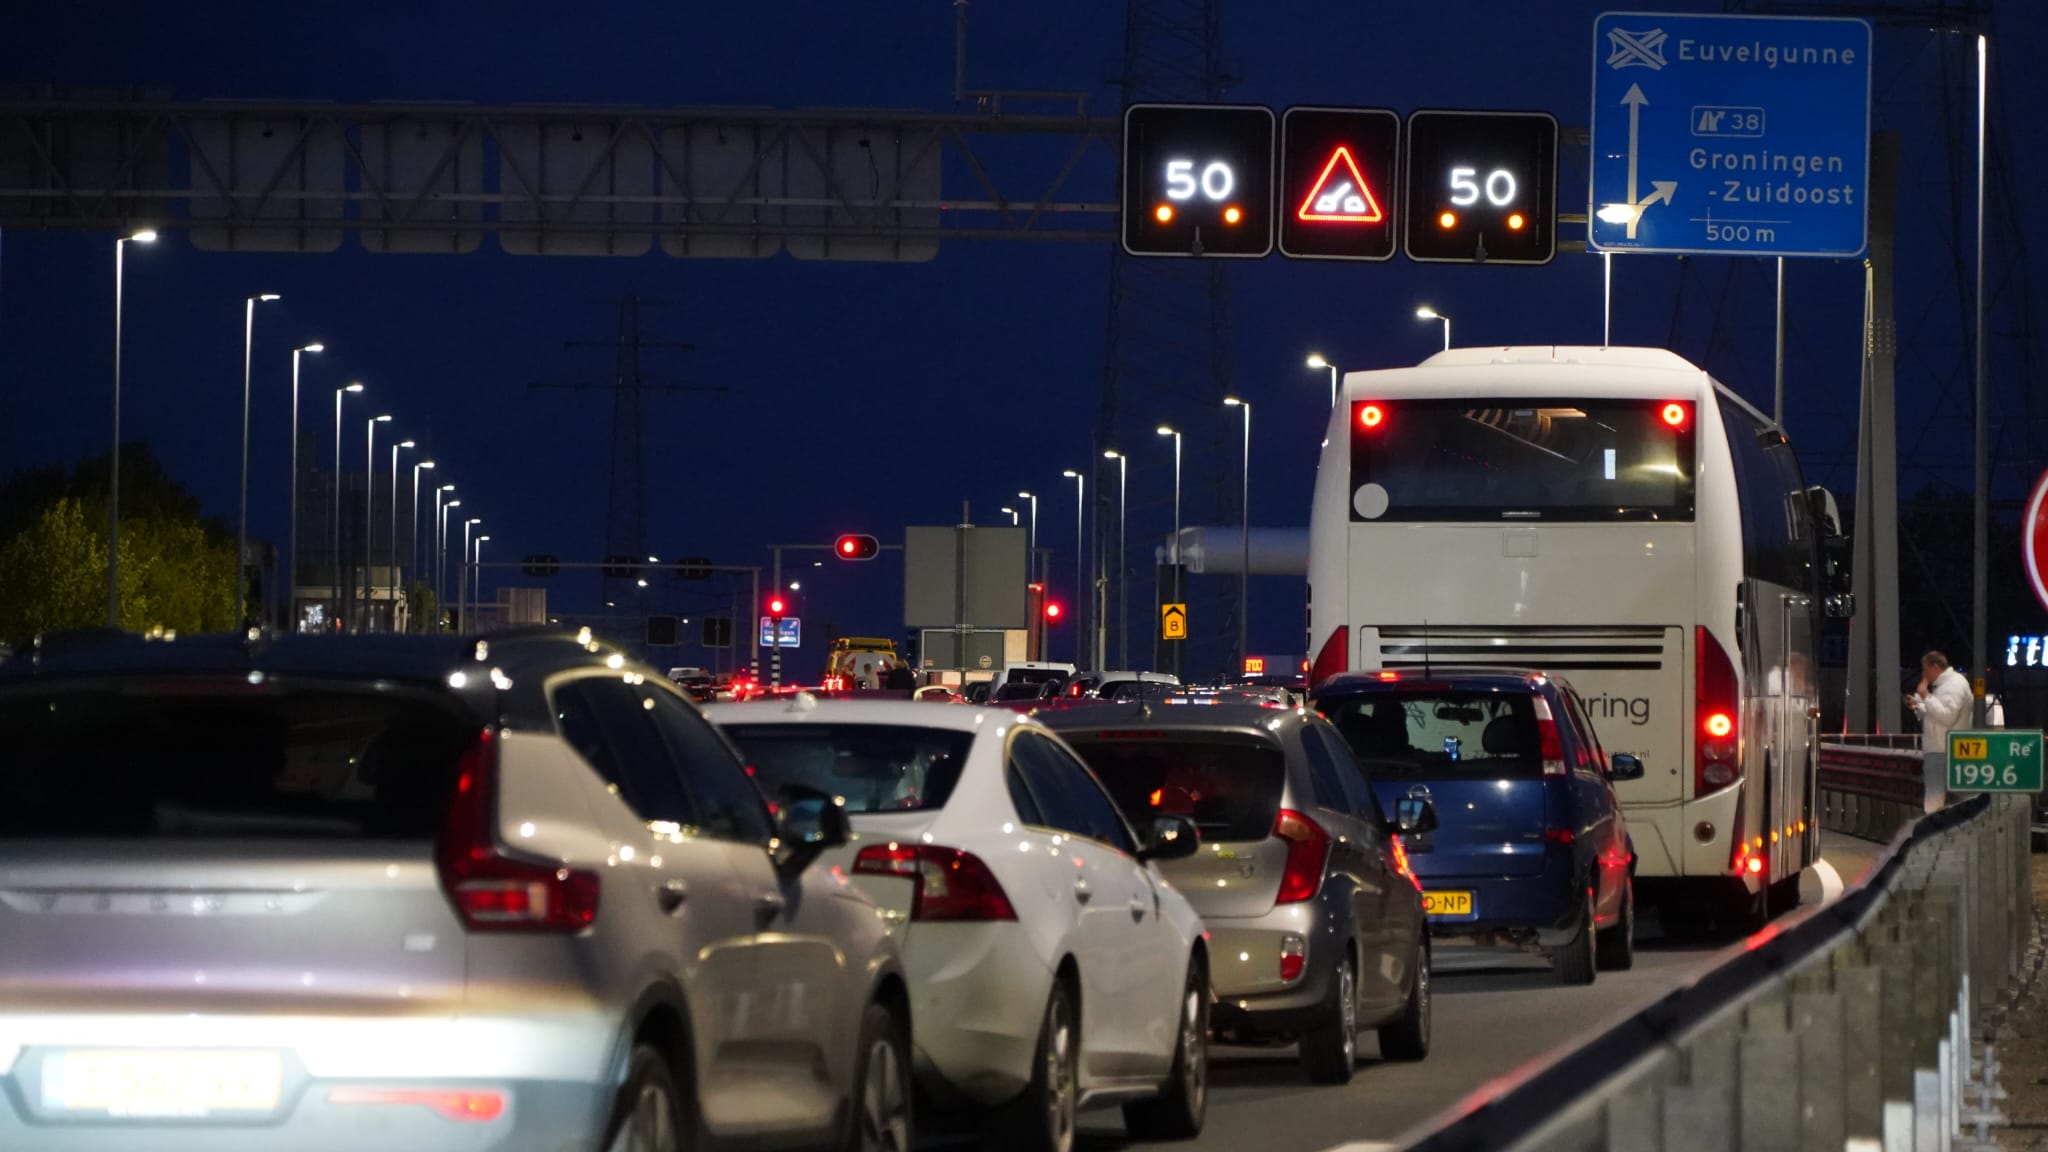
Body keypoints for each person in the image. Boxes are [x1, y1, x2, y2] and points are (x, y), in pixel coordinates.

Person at [1906, 650, 1973, 811]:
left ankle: (1934, 824)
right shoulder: (1945, 685)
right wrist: (1919, 705)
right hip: (1945, 748)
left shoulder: (1954, 685)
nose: (1924, 674)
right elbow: (1938, 713)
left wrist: (1926, 696)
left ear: (1935, 667)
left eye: (1925, 669)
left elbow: (1947, 716)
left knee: (1935, 800)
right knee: (1952, 798)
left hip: (1944, 750)